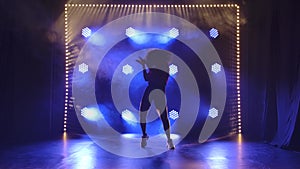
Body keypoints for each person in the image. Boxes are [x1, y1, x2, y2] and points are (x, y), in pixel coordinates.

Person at [136, 49, 175, 150]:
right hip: (154, 91)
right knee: (144, 114)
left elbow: (150, 78)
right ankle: (145, 135)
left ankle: (168, 140)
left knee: (163, 117)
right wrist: (144, 66)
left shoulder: (164, 67)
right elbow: (147, 78)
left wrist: (145, 66)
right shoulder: (158, 67)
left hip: (156, 91)